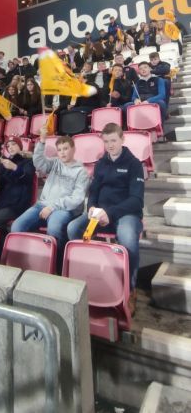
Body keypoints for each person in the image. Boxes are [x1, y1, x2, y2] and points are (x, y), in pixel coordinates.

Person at [67, 123, 144, 315]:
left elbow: (136, 200)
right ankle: (88, 274)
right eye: (106, 141)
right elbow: (94, 191)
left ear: (122, 139)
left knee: (127, 238)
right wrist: (91, 206)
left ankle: (131, 289)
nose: (110, 145)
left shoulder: (134, 164)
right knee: (73, 229)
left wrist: (110, 213)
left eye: (113, 141)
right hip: (99, 212)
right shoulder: (101, 162)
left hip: (126, 213)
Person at [11, 127, 89, 265]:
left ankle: (57, 265)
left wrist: (53, 207)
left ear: (73, 149)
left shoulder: (81, 171)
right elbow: (38, 162)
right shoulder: (55, 163)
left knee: (54, 227)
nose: (62, 153)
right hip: (42, 205)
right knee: (17, 226)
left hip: (64, 209)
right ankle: (21, 262)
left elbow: (76, 199)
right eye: (59, 150)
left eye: (65, 148)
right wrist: (41, 141)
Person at [0, 136, 35, 233]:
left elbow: (27, 178)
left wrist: (15, 167)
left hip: (15, 207)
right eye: (8, 146)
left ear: (20, 146)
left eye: (14, 144)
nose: (11, 147)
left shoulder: (28, 162)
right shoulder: (4, 164)